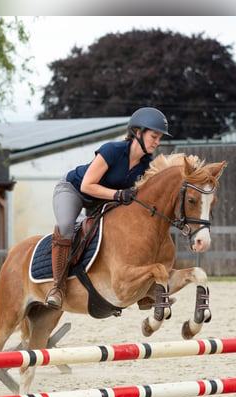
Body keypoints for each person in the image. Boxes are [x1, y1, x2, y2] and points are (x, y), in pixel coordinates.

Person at [44, 107, 171, 309]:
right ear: (138, 133)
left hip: (101, 200)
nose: (157, 142)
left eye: (159, 138)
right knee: (67, 225)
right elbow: (87, 186)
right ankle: (57, 287)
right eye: (154, 136)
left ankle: (142, 290)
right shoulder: (112, 150)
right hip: (74, 190)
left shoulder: (147, 165)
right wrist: (117, 194)